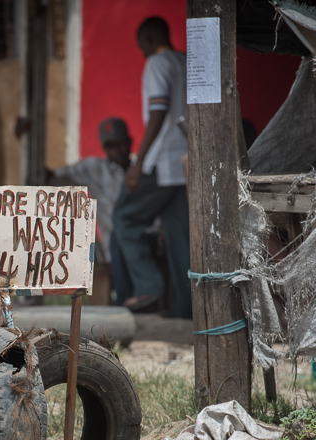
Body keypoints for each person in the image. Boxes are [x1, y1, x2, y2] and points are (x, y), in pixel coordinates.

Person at [115, 16, 191, 318]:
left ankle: (149, 287)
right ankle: (185, 309)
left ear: (148, 40)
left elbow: (158, 111)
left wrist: (140, 162)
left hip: (162, 163)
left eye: (141, 48)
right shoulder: (186, 61)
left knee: (123, 216)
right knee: (180, 238)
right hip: (187, 166)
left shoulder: (157, 64)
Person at [51, 117, 134, 304]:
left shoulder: (141, 168)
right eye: (111, 146)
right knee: (116, 237)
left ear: (129, 143)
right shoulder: (94, 168)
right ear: (104, 148)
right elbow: (50, 175)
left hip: (141, 241)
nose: (118, 150)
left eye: (121, 143)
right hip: (113, 248)